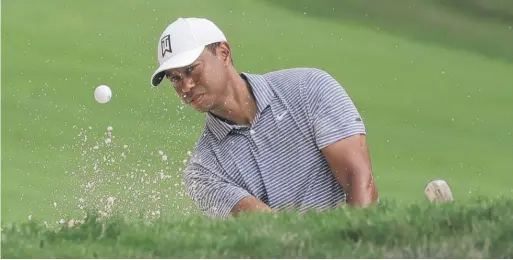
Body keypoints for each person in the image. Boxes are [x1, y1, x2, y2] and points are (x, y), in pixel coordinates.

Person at [150, 17, 379, 219]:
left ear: (223, 53)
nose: (185, 87)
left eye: (191, 69)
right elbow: (270, 229)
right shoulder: (203, 171)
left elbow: (359, 179)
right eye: (175, 78)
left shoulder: (309, 88)